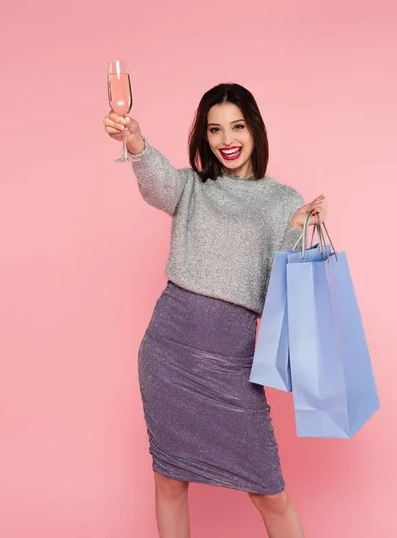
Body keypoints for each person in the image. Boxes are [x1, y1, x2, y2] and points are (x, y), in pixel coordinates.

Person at [103, 82, 327, 538]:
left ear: (254, 129)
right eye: (215, 129)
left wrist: (299, 229)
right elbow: (158, 181)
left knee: (271, 494)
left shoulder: (282, 199)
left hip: (232, 363)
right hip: (168, 354)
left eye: (238, 126)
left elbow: (282, 287)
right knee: (169, 479)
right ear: (204, 138)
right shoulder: (192, 188)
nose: (228, 139)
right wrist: (137, 144)